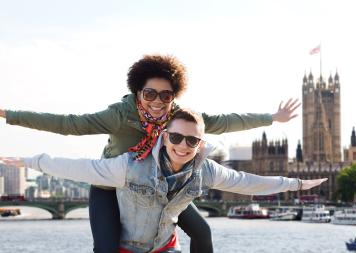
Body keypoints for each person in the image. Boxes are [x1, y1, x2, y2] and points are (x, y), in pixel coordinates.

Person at [0, 54, 301, 253]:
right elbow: (69, 125)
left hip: (161, 188)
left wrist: (272, 118)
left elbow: (223, 122)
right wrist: (8, 114)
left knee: (202, 232)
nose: (158, 101)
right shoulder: (120, 114)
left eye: (166, 95)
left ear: (174, 95)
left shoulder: (180, 118)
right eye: (150, 94)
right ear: (138, 92)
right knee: (106, 248)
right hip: (112, 186)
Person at [0, 108, 327, 253]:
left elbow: (247, 181)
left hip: (165, 246)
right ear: (164, 135)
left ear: (200, 143)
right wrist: (31, 161)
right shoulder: (130, 165)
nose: (183, 146)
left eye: (192, 141)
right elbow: (80, 166)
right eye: (177, 138)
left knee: (204, 231)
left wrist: (295, 184)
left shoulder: (205, 169)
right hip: (128, 245)